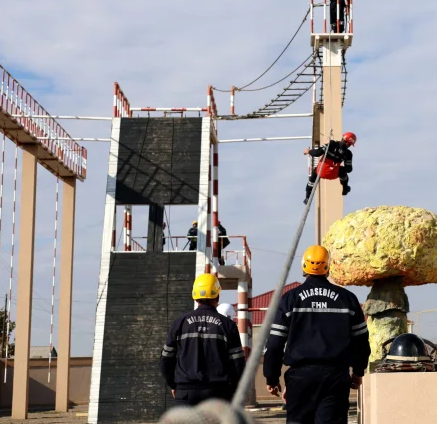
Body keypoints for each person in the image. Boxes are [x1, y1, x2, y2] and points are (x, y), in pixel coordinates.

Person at [263, 245, 371, 424]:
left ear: (303, 265)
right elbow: (361, 341)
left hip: (300, 378)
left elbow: (274, 343)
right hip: (335, 377)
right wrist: (358, 371)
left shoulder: (290, 299)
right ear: (328, 266)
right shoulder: (347, 299)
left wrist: (272, 377)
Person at [159, 273, 245, 408]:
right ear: (217, 295)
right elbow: (238, 364)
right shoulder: (228, 325)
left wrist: (175, 384)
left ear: (195, 295)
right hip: (218, 394)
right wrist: (231, 390)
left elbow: (165, 360)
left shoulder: (179, 323)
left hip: (186, 393)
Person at [303, 132, 356, 204]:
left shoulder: (331, 144)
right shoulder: (348, 154)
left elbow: (316, 153)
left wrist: (308, 151)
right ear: (349, 144)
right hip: (333, 174)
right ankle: (345, 188)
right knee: (343, 171)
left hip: (320, 171)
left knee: (312, 180)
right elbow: (349, 169)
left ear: (343, 138)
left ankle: (307, 198)